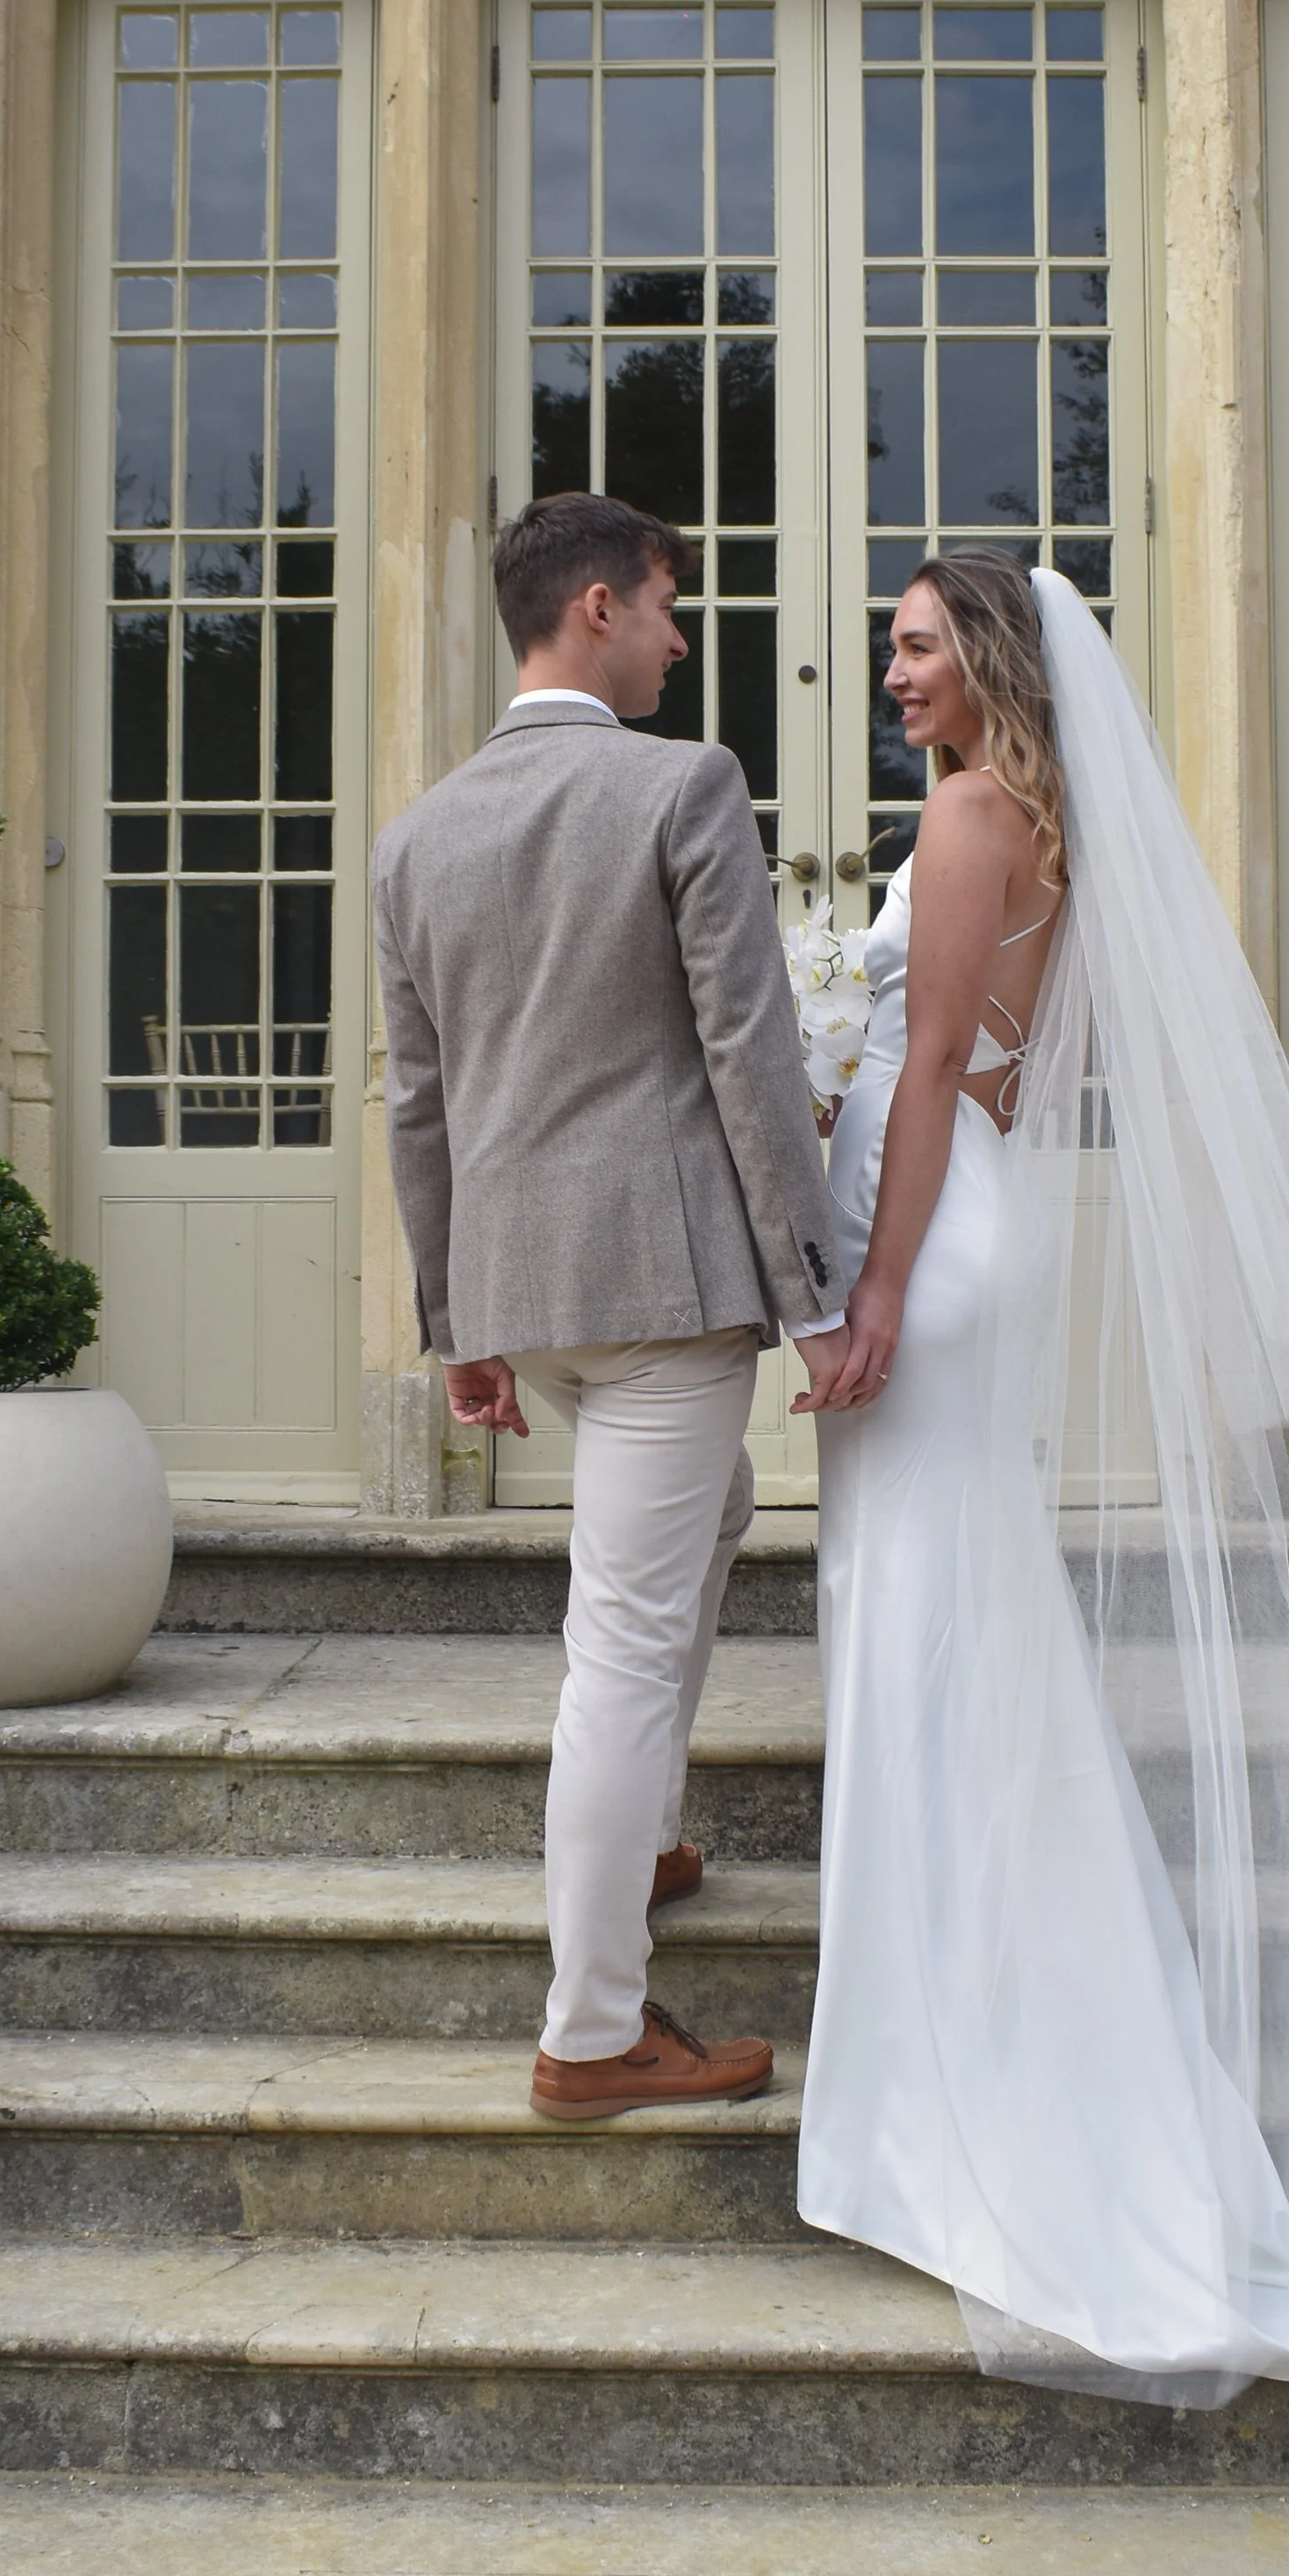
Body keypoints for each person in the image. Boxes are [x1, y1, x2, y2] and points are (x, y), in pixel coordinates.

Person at [800, 550, 1289, 2405]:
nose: (885, 677)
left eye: (904, 647)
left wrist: (870, 1285)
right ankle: (945, 2070)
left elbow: (929, 1080)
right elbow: (964, 1072)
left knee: (932, 1650)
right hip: (973, 1225)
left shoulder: (973, 819)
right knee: (954, 1644)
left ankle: (968, 2102)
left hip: (938, 1243)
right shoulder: (1023, 822)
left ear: (975, 654)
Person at [372, 492, 853, 2126]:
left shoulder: (415, 835)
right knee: (625, 1645)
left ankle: (639, 1837)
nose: (679, 633)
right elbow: (749, 1048)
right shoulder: (681, 782)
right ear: (592, 607)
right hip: (662, 1289)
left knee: (698, 1519)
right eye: (664, 604)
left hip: (529, 1287)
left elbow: (418, 1104)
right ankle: (592, 2031)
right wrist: (816, 1293)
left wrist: (458, 1326)